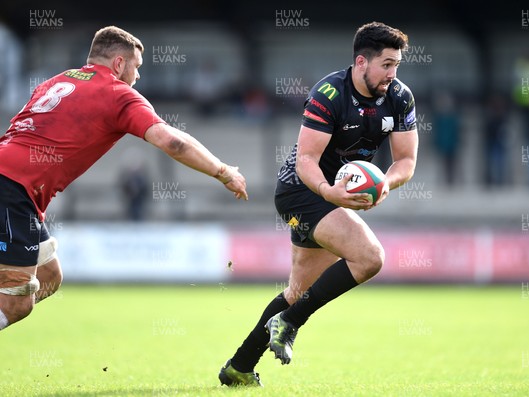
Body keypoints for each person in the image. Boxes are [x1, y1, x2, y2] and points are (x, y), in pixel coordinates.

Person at [0, 26, 248, 331]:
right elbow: (174, 142)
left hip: (14, 182)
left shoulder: (57, 81)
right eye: (137, 67)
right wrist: (223, 171)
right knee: (18, 303)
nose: (138, 77)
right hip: (13, 188)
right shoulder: (117, 94)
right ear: (119, 63)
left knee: (49, 276)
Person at [219, 21, 418, 387]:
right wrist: (330, 193)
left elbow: (406, 161)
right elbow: (306, 160)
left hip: (334, 197)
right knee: (370, 257)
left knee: (297, 293)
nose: (393, 73)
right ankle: (290, 323)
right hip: (301, 192)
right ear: (362, 62)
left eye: (397, 65)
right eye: (386, 64)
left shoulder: (400, 96)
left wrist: (384, 184)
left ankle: (239, 368)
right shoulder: (330, 93)